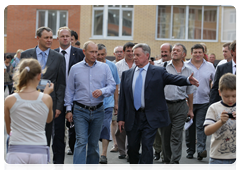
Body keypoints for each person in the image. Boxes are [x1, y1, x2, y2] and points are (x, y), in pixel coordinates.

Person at [117, 43, 199, 170]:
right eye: (134, 55)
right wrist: (120, 118)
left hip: (150, 117)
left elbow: (173, 78)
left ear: (147, 56)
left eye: (137, 55)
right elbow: (123, 98)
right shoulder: (127, 74)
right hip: (132, 117)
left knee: (147, 146)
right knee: (132, 149)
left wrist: (187, 80)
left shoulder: (158, 71)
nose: (134, 58)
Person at [64, 41, 116, 170]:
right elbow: (69, 90)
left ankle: (91, 168)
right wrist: (68, 109)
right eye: (91, 52)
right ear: (84, 52)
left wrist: (102, 91)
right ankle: (80, 168)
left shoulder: (104, 68)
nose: (94, 55)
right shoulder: (75, 68)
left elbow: (112, 86)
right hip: (80, 110)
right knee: (81, 141)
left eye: (96, 52)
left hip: (98, 110)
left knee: (93, 143)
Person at [20, 26, 66, 169]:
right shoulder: (26, 55)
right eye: (46, 37)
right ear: (38, 37)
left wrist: (58, 106)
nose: (49, 40)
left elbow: (61, 83)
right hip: (30, 102)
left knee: (55, 136)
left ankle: (58, 165)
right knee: (33, 134)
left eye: (51, 37)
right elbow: (20, 81)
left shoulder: (58, 57)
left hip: (50, 103)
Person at [4, 58, 54, 170]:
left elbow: (9, 130)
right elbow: (49, 119)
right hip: (39, 149)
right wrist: (46, 94)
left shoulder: (9, 99)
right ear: (39, 76)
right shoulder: (47, 99)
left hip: (17, 148)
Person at [53, 26, 85, 170]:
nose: (65, 38)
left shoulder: (79, 54)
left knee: (76, 134)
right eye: (62, 36)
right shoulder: (52, 54)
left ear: (71, 38)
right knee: (58, 134)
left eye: (67, 36)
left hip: (77, 99)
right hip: (57, 100)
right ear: (58, 38)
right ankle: (58, 164)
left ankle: (78, 165)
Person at [160, 44, 196, 170]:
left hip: (181, 105)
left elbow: (190, 91)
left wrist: (190, 110)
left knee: (176, 134)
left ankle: (175, 162)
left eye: (178, 50)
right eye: (173, 50)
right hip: (164, 105)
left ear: (183, 54)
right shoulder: (163, 67)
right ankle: (166, 160)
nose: (174, 52)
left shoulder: (189, 70)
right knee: (165, 134)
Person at [185, 44, 215, 161]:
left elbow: (215, 82)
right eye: (195, 52)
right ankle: (190, 150)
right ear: (191, 53)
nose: (197, 55)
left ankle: (201, 150)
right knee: (189, 127)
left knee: (201, 125)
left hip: (204, 101)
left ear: (204, 53)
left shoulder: (210, 66)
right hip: (188, 101)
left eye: (200, 52)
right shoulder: (186, 66)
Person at [204, 73, 238, 170]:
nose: (230, 99)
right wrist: (220, 122)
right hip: (217, 157)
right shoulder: (214, 108)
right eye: (226, 96)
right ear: (219, 92)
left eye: (234, 96)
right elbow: (207, 131)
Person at [97, 44, 120, 166]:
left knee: (106, 126)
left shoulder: (112, 66)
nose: (100, 57)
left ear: (106, 54)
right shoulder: (90, 65)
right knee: (95, 129)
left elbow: (116, 85)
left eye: (102, 54)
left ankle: (104, 155)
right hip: (94, 103)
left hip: (108, 103)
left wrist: (116, 103)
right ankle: (94, 153)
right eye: (98, 54)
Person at [115, 42, 136, 161]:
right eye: (128, 51)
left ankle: (130, 150)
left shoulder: (138, 64)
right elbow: (116, 85)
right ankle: (122, 150)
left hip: (135, 99)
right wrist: (117, 103)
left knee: (132, 126)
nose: (130, 53)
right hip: (122, 99)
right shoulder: (117, 65)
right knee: (121, 126)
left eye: (132, 51)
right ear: (124, 52)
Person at [153, 43, 172, 161]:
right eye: (162, 51)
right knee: (156, 129)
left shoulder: (175, 66)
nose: (164, 54)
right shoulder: (155, 65)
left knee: (166, 131)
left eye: (166, 52)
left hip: (170, 101)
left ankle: (167, 155)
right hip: (156, 101)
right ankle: (157, 150)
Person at [210, 40, 238, 105]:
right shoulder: (221, 68)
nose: (224, 53)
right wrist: (212, 106)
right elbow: (215, 88)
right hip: (224, 106)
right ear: (232, 52)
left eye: (225, 51)